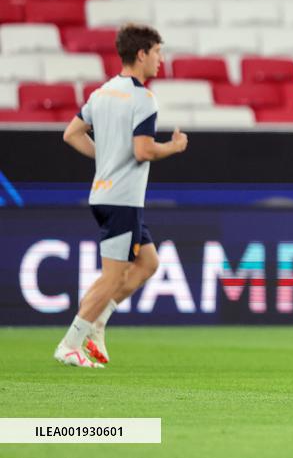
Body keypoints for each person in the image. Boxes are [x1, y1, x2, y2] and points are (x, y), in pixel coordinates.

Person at [54, 24, 188, 368]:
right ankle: (70, 342)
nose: (161, 60)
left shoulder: (102, 93)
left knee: (148, 263)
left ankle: (99, 320)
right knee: (113, 276)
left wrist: (107, 157)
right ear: (141, 53)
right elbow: (143, 151)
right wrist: (173, 147)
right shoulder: (143, 98)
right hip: (122, 198)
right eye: (157, 52)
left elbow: (71, 133)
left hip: (105, 194)